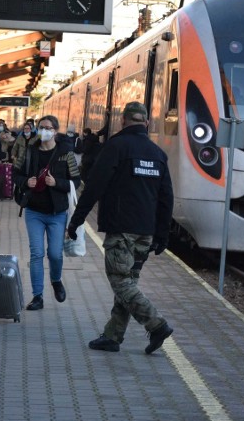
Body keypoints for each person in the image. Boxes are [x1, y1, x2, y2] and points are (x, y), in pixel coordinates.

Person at [66, 102, 174, 354]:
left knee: (121, 282)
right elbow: (166, 197)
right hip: (145, 234)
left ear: (123, 121)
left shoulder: (116, 147)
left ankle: (156, 324)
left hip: (122, 230)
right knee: (129, 282)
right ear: (146, 123)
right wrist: (162, 235)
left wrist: (76, 220)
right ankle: (113, 336)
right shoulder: (158, 154)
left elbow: (94, 186)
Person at [13, 114, 80, 311]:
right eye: (41, 127)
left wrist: (56, 183)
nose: (44, 130)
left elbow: (76, 181)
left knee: (55, 254)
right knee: (37, 253)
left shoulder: (65, 154)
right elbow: (15, 173)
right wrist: (26, 182)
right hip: (34, 211)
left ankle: (56, 280)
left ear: (55, 131)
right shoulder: (29, 151)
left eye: (48, 127)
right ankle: (37, 296)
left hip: (57, 213)